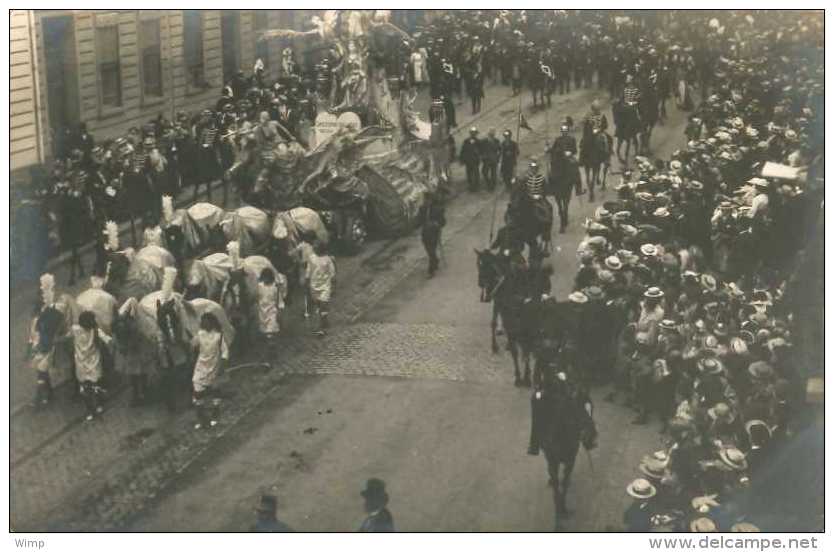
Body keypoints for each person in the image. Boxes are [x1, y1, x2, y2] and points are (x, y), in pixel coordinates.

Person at [28, 274, 66, 408]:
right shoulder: (41, 308)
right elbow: (34, 328)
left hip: (47, 343)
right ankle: (47, 394)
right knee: (42, 370)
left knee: (42, 370)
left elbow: (55, 325)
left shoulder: (54, 308)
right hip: (41, 343)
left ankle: (39, 397)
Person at [190, 312, 229, 430]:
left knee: (215, 390)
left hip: (214, 367)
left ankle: (215, 414)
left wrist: (222, 367)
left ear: (212, 322)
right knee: (197, 392)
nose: (205, 323)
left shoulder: (219, 335)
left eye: (208, 321)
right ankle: (201, 418)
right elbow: (192, 345)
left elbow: (225, 352)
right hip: (200, 367)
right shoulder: (200, 334)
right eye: (203, 321)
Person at [72, 311, 112, 421]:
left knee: (85, 389)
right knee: (96, 386)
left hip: (81, 365)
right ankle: (98, 405)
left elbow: (65, 336)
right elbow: (107, 340)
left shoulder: (75, 330)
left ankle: (89, 410)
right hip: (94, 363)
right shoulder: (95, 331)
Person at [306, 241, 336, 336]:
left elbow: (332, 272)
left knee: (324, 303)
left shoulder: (327, 259)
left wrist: (334, 282)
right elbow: (308, 270)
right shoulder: (311, 258)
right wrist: (306, 280)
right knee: (318, 303)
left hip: (325, 286)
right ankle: (324, 317)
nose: (314, 248)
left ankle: (322, 323)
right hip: (314, 285)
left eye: (316, 247)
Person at [419, 190, 446, 278]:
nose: (426, 201)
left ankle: (431, 270)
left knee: (431, 251)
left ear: (431, 200)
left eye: (428, 200)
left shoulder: (438, 209)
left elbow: (443, 222)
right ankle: (435, 260)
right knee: (429, 250)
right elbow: (419, 220)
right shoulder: (422, 208)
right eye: (425, 200)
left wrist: (436, 223)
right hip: (425, 233)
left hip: (434, 232)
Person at [257, 267, 287, 342]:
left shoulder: (275, 287)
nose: (266, 279)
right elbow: (257, 296)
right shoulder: (259, 286)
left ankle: (271, 344)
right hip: (262, 311)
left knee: (271, 328)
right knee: (265, 330)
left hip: (272, 310)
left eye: (268, 277)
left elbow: (279, 298)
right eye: (265, 277)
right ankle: (270, 342)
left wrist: (280, 308)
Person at [460, 127, 482, 192]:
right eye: (472, 133)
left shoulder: (478, 142)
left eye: (474, 133)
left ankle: (476, 186)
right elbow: (463, 150)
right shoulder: (466, 141)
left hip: (475, 160)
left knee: (476, 173)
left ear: (475, 134)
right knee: (469, 173)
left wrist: (479, 154)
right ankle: (470, 185)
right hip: (468, 160)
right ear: (470, 133)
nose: (473, 134)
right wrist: (462, 159)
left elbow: (481, 151)